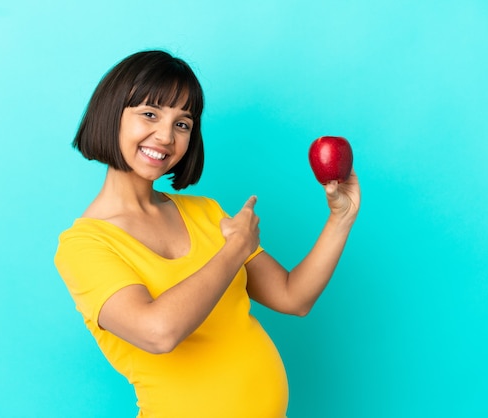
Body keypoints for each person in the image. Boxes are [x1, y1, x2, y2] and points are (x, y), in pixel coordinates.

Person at [54, 50, 360, 418]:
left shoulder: (204, 212)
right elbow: (158, 333)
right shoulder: (84, 246)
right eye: (150, 114)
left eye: (182, 124)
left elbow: (293, 297)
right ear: (111, 114)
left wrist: (340, 219)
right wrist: (235, 249)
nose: (166, 136)